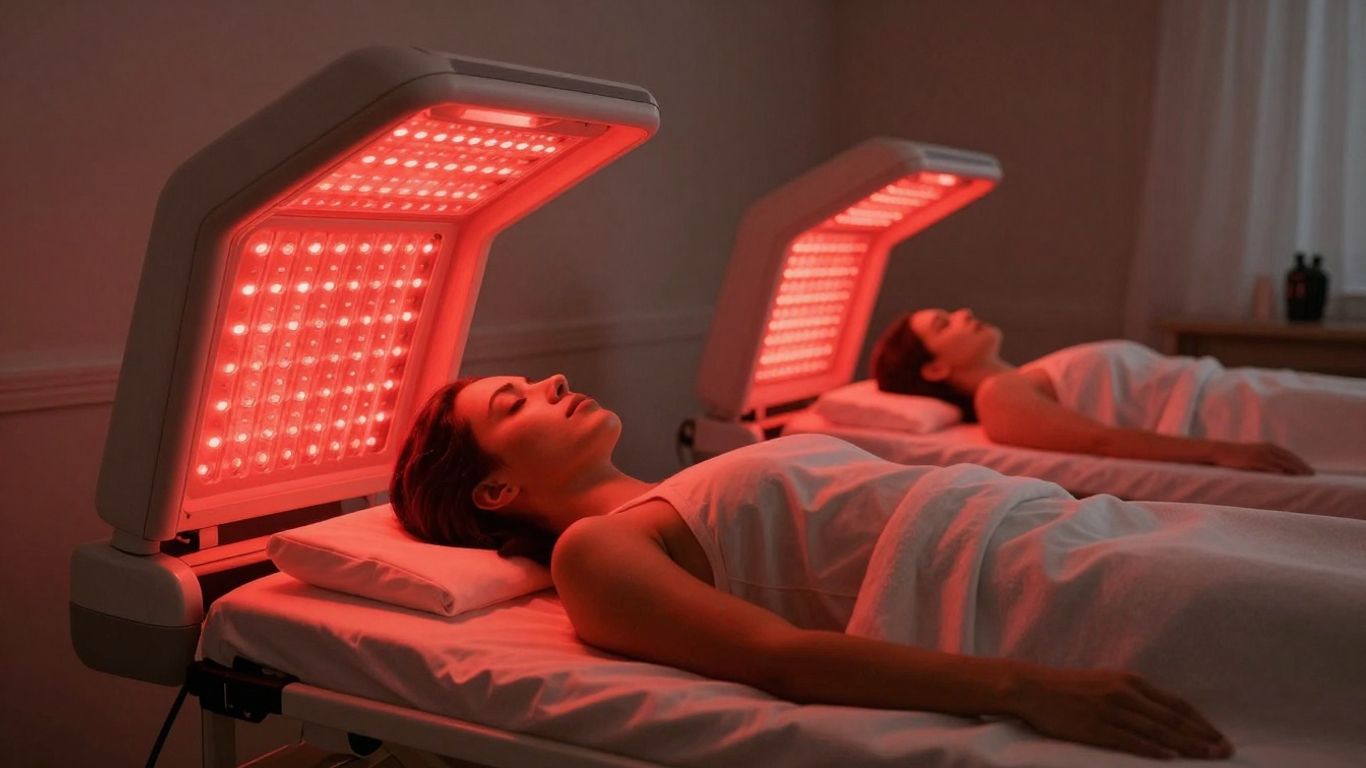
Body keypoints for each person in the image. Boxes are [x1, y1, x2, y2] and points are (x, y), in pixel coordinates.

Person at [389, 374, 1255, 761]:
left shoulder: (678, 485)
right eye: (514, 403)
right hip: (1030, 587)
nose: (552, 378)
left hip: (1076, 531)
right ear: (495, 488)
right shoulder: (595, 551)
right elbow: (781, 656)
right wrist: (1030, 688)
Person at [871, 308, 1366, 475]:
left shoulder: (1026, 375)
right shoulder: (998, 397)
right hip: (1231, 415)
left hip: (1242, 392)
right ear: (934, 368)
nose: (963, 313)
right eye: (943, 323)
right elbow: (1099, 441)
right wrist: (1221, 450)